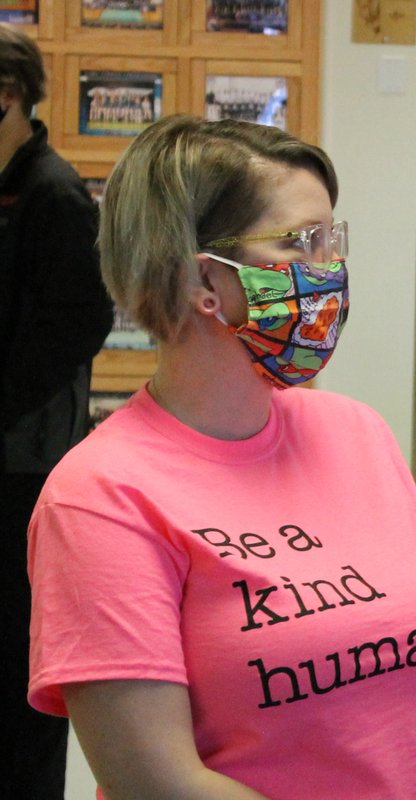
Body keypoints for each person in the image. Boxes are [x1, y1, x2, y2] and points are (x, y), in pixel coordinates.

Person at [26, 114, 416, 799]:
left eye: (335, 239)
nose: (331, 269)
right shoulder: (100, 497)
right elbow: (154, 779)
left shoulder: (360, 434)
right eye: (303, 243)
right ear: (198, 279)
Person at [0, 24, 113, 799]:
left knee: (19, 661)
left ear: (7, 97)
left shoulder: (54, 191)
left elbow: (79, 322)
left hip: (25, 464)